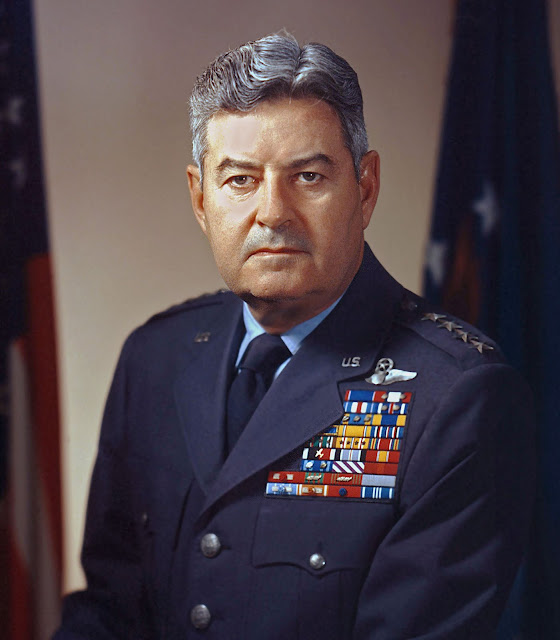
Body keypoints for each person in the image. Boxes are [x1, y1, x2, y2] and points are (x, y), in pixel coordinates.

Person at [54, 33, 535, 639]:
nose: (273, 212)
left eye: (307, 176)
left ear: (365, 188)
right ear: (200, 199)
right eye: (239, 180)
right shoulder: (155, 358)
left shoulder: (457, 399)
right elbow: (108, 613)